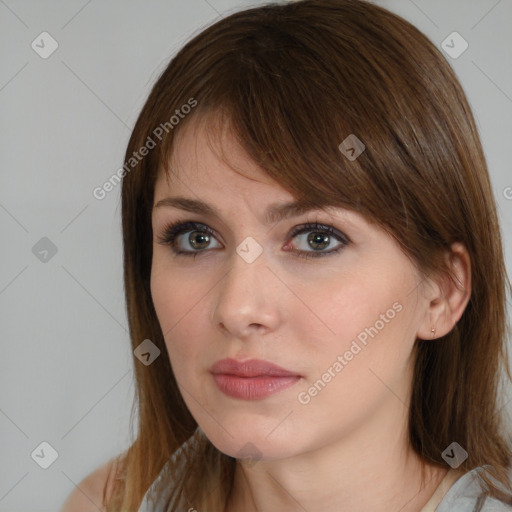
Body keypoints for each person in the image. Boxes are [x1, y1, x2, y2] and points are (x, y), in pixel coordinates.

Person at [62, 0, 512, 510]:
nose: (236, 309)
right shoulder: (111, 500)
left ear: (442, 294)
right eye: (196, 238)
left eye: (316, 238)